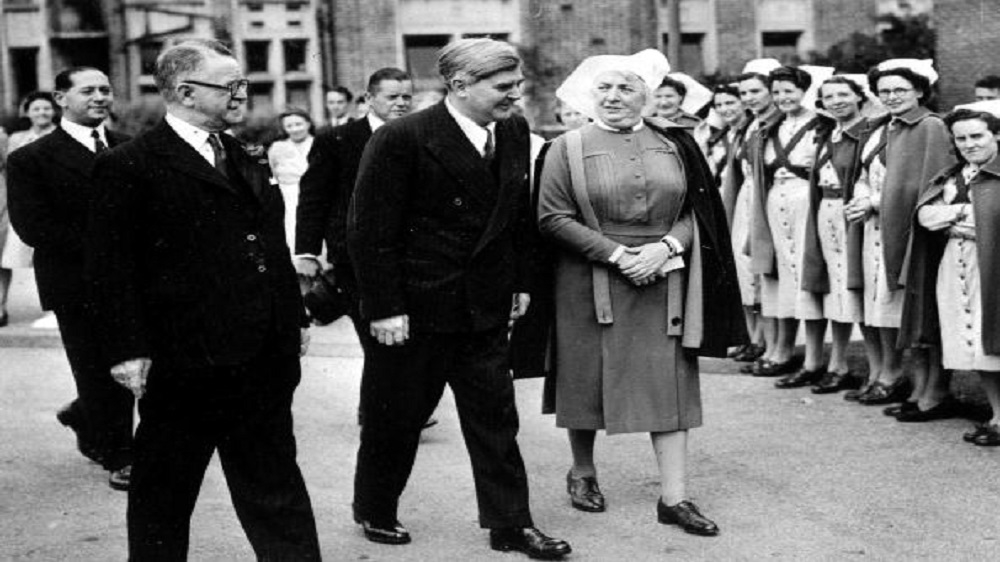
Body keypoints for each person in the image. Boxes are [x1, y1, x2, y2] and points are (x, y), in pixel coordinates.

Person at [86, 40, 320, 559]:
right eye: (231, 85)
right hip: (182, 360)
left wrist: (293, 316)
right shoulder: (131, 164)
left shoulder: (243, 154)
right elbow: (110, 267)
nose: (242, 94)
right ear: (187, 92)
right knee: (165, 491)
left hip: (260, 355)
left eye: (243, 84)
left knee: (274, 484)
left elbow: (270, 245)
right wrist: (127, 350)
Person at [347, 38, 571, 559]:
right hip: (415, 309)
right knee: (396, 418)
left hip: (485, 306)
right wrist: (384, 307)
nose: (516, 96)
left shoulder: (513, 130)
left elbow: (515, 215)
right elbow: (369, 231)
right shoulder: (403, 139)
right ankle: (375, 508)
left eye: (517, 85)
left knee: (495, 419)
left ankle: (510, 524)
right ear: (460, 85)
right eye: (504, 87)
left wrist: (518, 282)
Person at [538, 48, 745, 536]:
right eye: (605, 88)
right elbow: (551, 218)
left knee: (668, 380)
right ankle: (583, 471)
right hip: (586, 276)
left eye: (626, 88)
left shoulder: (677, 145)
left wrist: (667, 247)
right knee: (585, 375)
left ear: (647, 96)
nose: (613, 97)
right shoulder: (564, 148)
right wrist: (616, 255)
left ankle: (674, 497)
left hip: (663, 274)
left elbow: (699, 213)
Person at [6, 69, 133, 490]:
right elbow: (32, 227)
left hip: (134, 280)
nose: (100, 97)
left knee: (144, 361)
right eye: (88, 91)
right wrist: (109, 245)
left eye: (105, 90)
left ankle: (84, 414)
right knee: (98, 369)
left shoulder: (130, 148)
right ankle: (120, 455)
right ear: (61, 98)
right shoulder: (31, 158)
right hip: (76, 283)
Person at [295, 67, 437, 428]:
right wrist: (307, 252)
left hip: (410, 257)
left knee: (406, 339)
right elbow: (313, 198)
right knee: (376, 338)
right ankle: (382, 414)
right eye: (392, 96)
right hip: (353, 258)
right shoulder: (337, 139)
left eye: (407, 96)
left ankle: (390, 409)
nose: (402, 103)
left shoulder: (422, 136)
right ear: (369, 98)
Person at [844, 59, 955, 412]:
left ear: (920, 91)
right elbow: (864, 171)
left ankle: (934, 391)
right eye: (884, 91)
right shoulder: (880, 128)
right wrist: (863, 196)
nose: (891, 96)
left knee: (922, 311)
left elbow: (929, 184)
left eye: (900, 90)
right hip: (877, 228)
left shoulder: (930, 126)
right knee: (896, 312)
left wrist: (876, 201)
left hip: (914, 231)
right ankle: (916, 389)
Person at [903, 102, 1000, 443]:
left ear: (996, 136)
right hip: (955, 260)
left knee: (994, 336)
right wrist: (963, 211)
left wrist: (954, 214)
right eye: (961, 139)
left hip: (992, 266)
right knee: (971, 339)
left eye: (977, 136)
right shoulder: (952, 176)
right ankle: (997, 415)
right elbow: (926, 216)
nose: (970, 144)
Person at [750, 66, 827, 380]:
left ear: (804, 91)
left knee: (805, 275)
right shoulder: (770, 127)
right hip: (775, 199)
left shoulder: (820, 125)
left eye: (789, 91)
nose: (783, 98)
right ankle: (782, 351)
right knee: (780, 274)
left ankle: (813, 357)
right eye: (777, 92)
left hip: (805, 199)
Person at [799, 76, 870, 394]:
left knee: (848, 285)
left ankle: (843, 363)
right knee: (826, 284)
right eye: (829, 96)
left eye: (844, 94)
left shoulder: (866, 132)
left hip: (850, 212)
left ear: (859, 97)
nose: (837, 101)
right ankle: (831, 363)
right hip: (824, 208)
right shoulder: (829, 133)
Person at [730, 60, 782, 373]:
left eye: (755, 91)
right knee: (747, 271)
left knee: (765, 272)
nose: (749, 97)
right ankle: (760, 340)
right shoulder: (751, 124)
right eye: (744, 92)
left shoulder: (774, 122)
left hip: (765, 199)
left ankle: (775, 346)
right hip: (746, 197)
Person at [267, 108, 314, 252]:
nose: (294, 129)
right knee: (291, 232)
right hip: (288, 197)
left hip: (314, 196)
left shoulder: (320, 143)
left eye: (298, 124)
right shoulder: (277, 147)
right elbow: (271, 174)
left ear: (308, 124)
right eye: (289, 126)